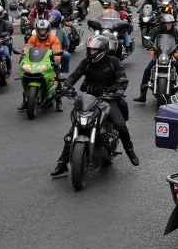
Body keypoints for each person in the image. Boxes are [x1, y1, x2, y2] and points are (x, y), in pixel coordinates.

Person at [51, 35, 138, 176]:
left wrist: (119, 90)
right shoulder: (87, 62)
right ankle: (62, 163)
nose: (91, 53)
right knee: (72, 130)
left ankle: (130, 151)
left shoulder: (113, 61)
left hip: (108, 98)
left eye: (94, 50)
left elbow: (122, 78)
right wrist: (66, 86)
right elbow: (74, 76)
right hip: (89, 97)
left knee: (120, 125)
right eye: (90, 50)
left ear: (102, 50)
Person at [133, 13, 178, 103]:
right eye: (167, 23)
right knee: (147, 70)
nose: (169, 25)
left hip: (171, 55)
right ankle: (142, 95)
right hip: (159, 54)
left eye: (171, 23)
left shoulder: (175, 31)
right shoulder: (156, 30)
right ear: (162, 23)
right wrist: (149, 44)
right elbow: (149, 39)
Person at [20, 19, 67, 112]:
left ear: (48, 30)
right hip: (35, 62)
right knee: (25, 75)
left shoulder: (53, 38)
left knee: (57, 78)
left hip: (49, 62)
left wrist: (56, 58)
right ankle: (25, 100)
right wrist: (23, 54)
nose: (42, 32)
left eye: (44, 30)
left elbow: (57, 50)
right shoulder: (33, 38)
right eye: (40, 30)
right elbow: (27, 48)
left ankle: (59, 101)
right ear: (37, 30)